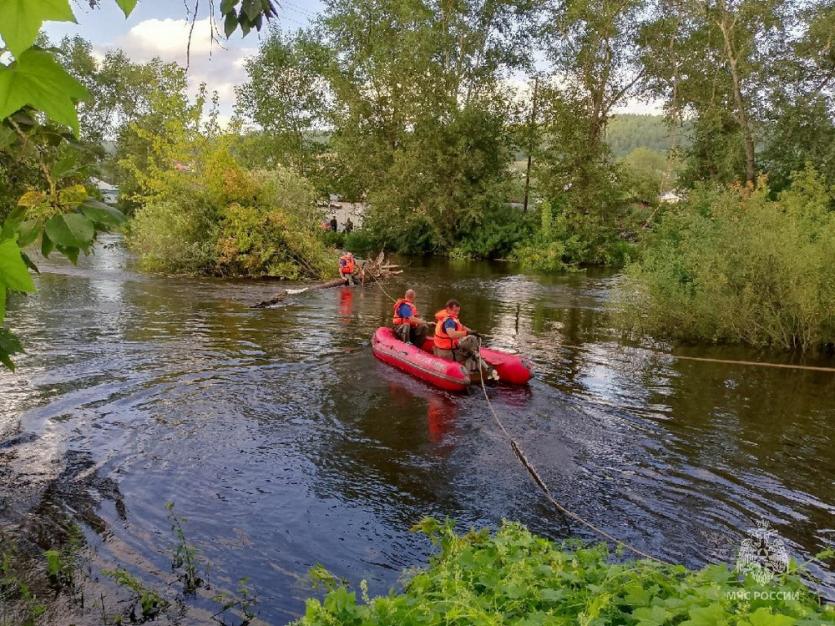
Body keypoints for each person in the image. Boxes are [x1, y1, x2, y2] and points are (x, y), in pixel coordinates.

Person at [433, 299, 482, 373]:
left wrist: (472, 332)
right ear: (448, 309)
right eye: (455, 311)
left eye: (458, 311)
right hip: (447, 353)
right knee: (470, 354)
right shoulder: (449, 321)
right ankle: (469, 372)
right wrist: (467, 333)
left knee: (466, 346)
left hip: (440, 348)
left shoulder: (447, 318)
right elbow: (452, 334)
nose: (457, 313)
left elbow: (461, 326)